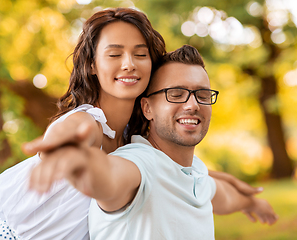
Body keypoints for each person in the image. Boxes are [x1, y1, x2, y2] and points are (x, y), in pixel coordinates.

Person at [0, 7, 263, 240]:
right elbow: (73, 138)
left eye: (140, 54)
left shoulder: (131, 134)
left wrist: (227, 183)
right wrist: (65, 151)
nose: (129, 64)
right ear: (91, 65)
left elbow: (173, 172)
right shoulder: (87, 122)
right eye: (114, 54)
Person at [28, 45, 278, 239]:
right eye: (176, 94)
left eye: (202, 94)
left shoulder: (196, 173)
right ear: (147, 108)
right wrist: (82, 163)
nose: (192, 104)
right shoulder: (138, 163)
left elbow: (221, 196)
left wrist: (253, 202)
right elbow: (107, 178)